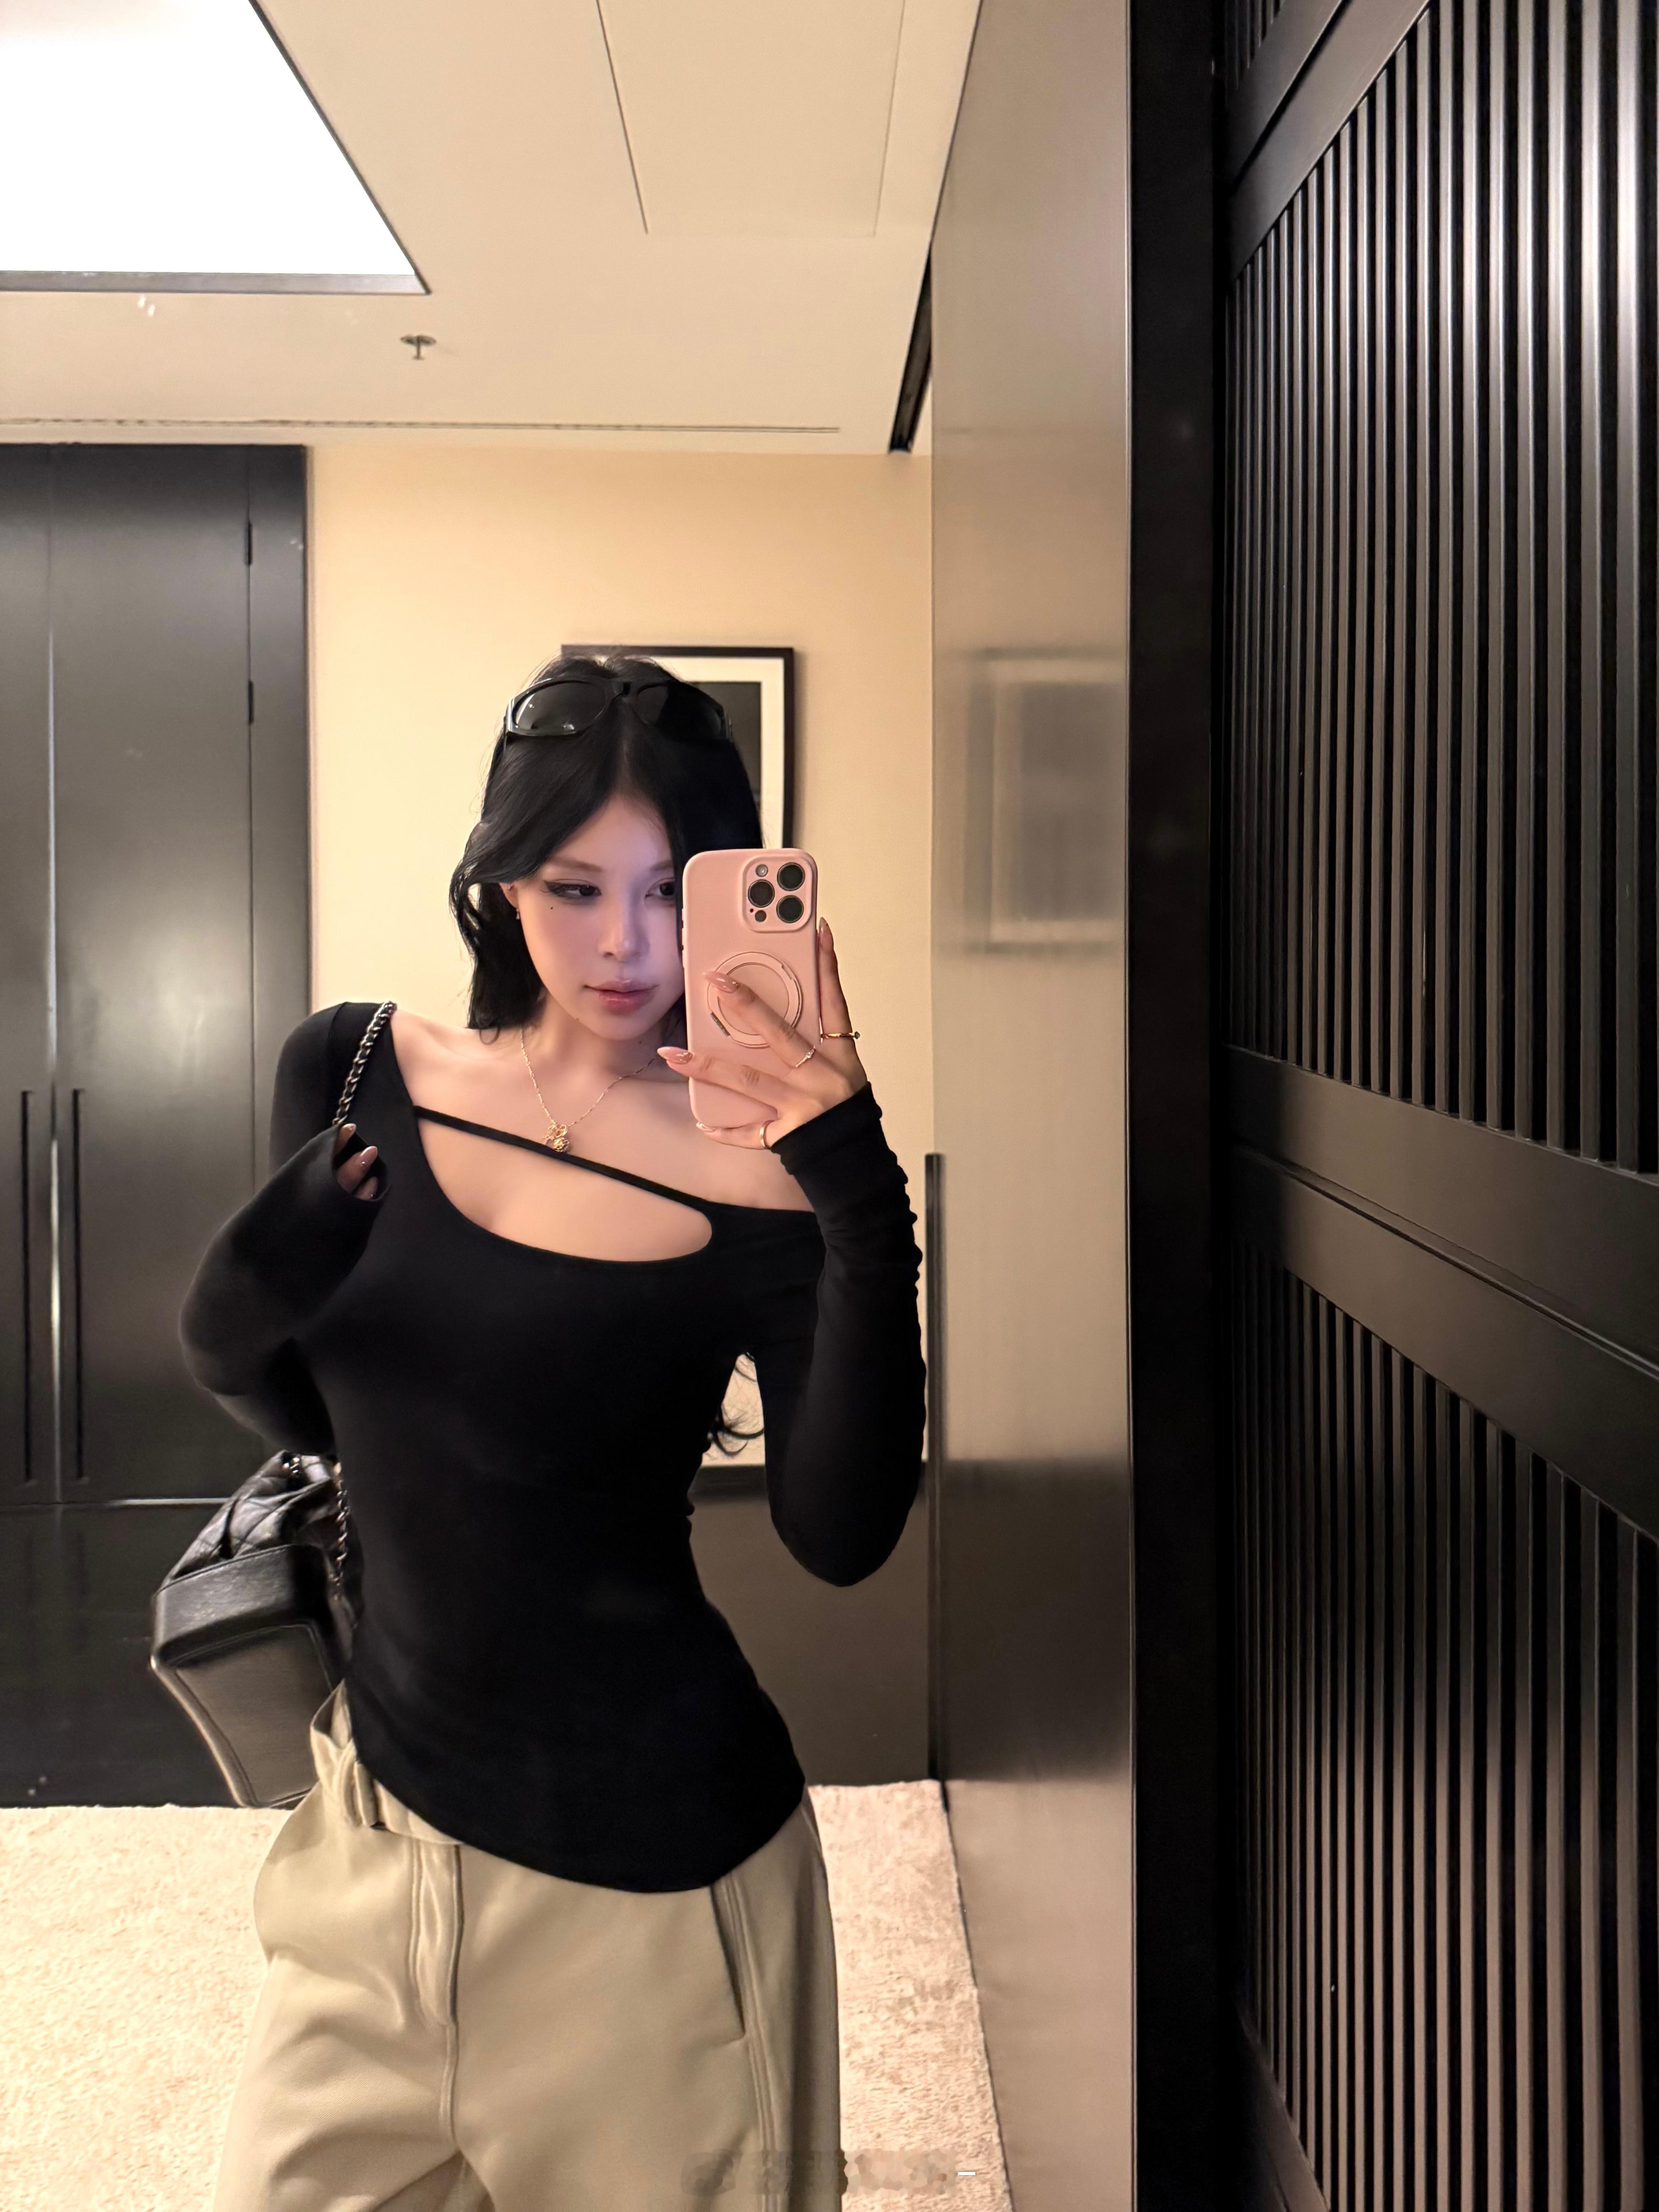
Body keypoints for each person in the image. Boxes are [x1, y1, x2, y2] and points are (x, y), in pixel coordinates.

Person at [178, 656, 926, 2212]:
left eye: (666, 891)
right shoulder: (355, 1072)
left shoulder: (764, 1171)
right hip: (377, 1855)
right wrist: (235, 1302)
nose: (625, 944)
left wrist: (858, 1192)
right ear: (503, 876)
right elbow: (316, 1418)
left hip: (661, 1898)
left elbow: (841, 1534)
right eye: (576, 887)